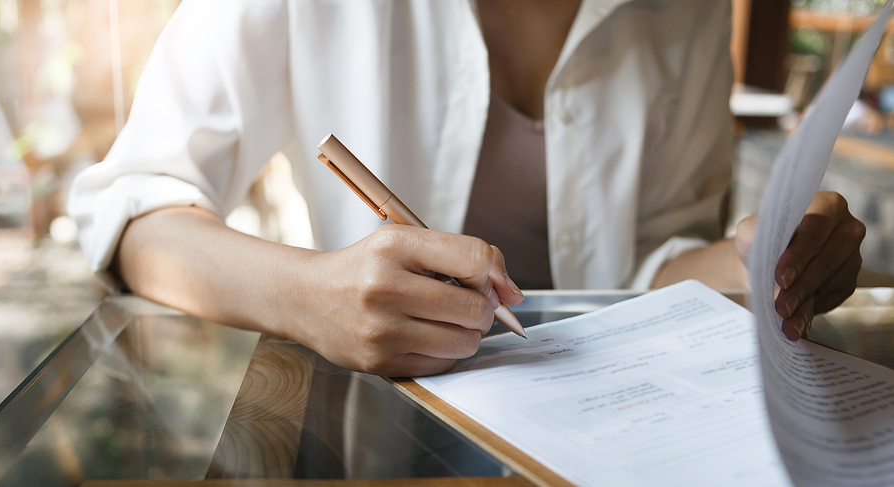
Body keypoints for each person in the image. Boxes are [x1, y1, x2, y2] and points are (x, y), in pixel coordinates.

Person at [68, 0, 865, 378]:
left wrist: (752, 260)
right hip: (373, 428)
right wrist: (306, 295)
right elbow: (136, 210)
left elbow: (653, 262)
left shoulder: (684, 15)